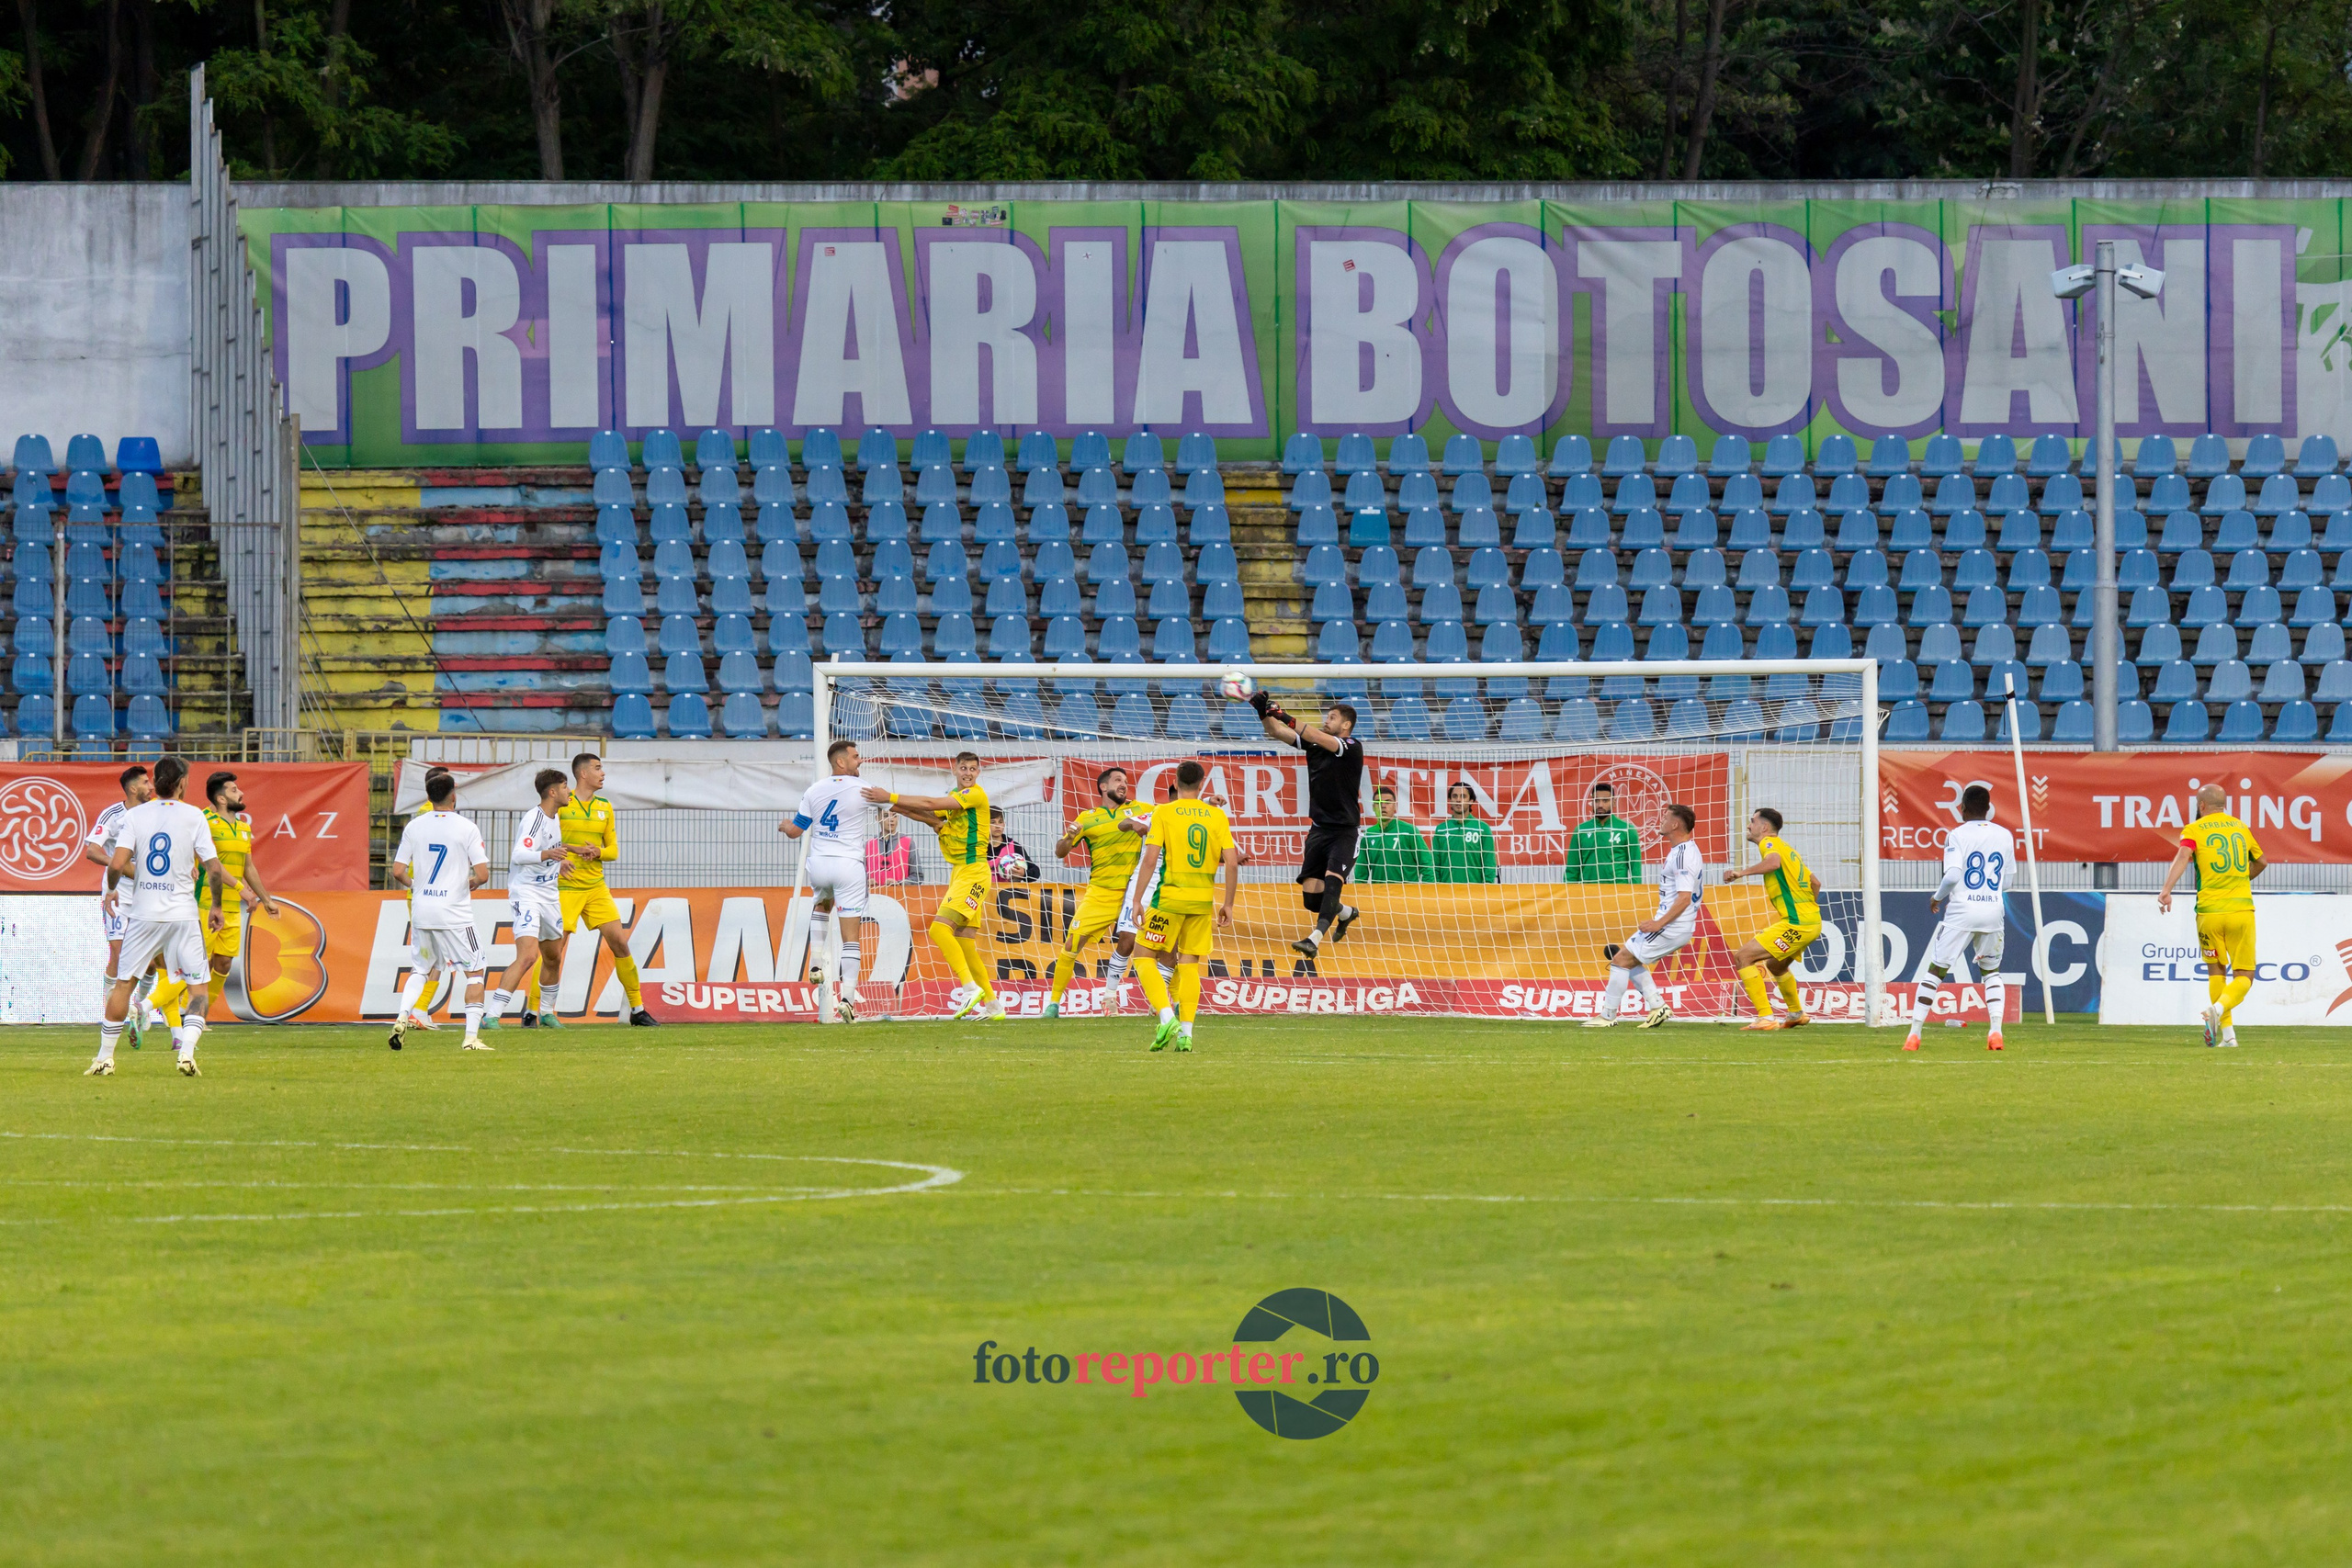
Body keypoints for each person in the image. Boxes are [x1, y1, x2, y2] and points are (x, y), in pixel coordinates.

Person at [86, 755, 236, 1077]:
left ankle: (104, 1058)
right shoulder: (195, 815)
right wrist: (216, 906)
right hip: (182, 915)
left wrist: (112, 890)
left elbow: (115, 864)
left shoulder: (136, 816)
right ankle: (187, 1051)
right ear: (182, 783)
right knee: (197, 989)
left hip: (143, 914)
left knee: (124, 984)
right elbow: (212, 868)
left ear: (157, 781)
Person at [866, 751, 1003, 1021]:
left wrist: (891, 797)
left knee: (939, 929)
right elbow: (929, 814)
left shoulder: (975, 795)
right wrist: (892, 807)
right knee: (965, 943)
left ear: (978, 773)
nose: (967, 773)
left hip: (974, 871)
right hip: (961, 872)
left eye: (972, 769)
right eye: (963, 768)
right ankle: (993, 1006)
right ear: (955, 770)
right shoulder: (956, 799)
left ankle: (968, 988)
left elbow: (930, 802)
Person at [148, 771, 282, 1035]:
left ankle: (195, 1013)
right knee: (195, 964)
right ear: (220, 798)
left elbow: (249, 867)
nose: (241, 793)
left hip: (232, 908)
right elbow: (212, 862)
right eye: (234, 790)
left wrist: (266, 900)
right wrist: (240, 888)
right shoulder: (204, 821)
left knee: (222, 965)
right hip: (206, 903)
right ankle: (157, 1006)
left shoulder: (243, 827)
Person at [1126, 759, 1241, 1053]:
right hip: (1202, 902)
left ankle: (1166, 1017)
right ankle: (1186, 1034)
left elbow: (1151, 859)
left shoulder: (1163, 812)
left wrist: (1138, 899)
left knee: (1142, 957)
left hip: (1169, 899)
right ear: (1202, 784)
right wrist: (1228, 903)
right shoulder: (1216, 816)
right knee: (1190, 964)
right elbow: (1231, 862)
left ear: (1175, 783)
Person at [1250, 692, 1364, 958]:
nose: (1327, 720)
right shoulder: (1314, 744)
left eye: (1332, 717)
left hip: (1344, 832)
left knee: (1333, 882)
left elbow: (1314, 735)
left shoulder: (1350, 745)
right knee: (1312, 900)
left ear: (1345, 725)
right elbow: (1276, 732)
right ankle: (1346, 913)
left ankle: (1314, 939)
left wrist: (1285, 715)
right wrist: (1264, 714)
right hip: (1319, 830)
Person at [387, 772, 493, 1051]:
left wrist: (418, 886)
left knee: (420, 968)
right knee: (476, 970)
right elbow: (483, 874)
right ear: (453, 795)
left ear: (428, 796)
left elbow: (398, 871)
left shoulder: (415, 826)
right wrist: (470, 883)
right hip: (454, 914)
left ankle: (402, 1015)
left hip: (423, 912)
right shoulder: (466, 827)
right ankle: (471, 1038)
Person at [1906, 785, 2014, 1054]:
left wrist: (1937, 897)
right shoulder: (2005, 835)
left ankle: (1914, 1036)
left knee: (1936, 971)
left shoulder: (1957, 835)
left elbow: (1953, 875)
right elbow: (2008, 882)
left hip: (1961, 912)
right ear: (1988, 809)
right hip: (1993, 911)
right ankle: (1996, 1032)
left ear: (1962, 808)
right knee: (1991, 973)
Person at [2158, 783, 2266, 1048]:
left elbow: (2184, 854)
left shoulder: (2193, 830)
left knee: (2216, 971)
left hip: (2209, 912)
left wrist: (2166, 890)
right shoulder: (2241, 827)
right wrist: (2242, 878)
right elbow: (2262, 862)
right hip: (2241, 909)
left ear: (2201, 806)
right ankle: (2219, 1014)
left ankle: (2228, 1034)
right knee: (2244, 975)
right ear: (2224, 805)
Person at [1046, 766, 1154, 1019]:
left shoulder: (1141, 809)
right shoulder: (1087, 817)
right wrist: (1069, 838)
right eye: (1118, 780)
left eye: (1126, 781)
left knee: (1158, 944)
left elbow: (1171, 813)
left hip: (1134, 893)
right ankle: (1052, 1004)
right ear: (1103, 787)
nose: (1124, 784)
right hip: (1102, 892)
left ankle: (1171, 999)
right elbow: (1060, 852)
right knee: (1072, 943)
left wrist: (1204, 802)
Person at [558, 752, 658, 1025]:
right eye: (598, 768)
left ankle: (638, 1009)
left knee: (620, 943)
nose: (603, 773)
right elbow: (547, 844)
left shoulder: (605, 806)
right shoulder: (562, 806)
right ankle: (534, 1011)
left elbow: (613, 851)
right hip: (564, 887)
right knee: (553, 951)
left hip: (596, 887)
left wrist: (598, 852)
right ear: (583, 774)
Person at [1589, 803, 1703, 1030]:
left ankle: (1607, 1016)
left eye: (1665, 818)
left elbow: (1684, 897)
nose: (1661, 821)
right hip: (1674, 924)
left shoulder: (1683, 854)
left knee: (1621, 960)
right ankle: (1657, 1006)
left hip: (1672, 926)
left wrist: (1658, 924)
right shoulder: (1683, 851)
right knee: (1628, 959)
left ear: (1675, 824)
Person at [784, 739, 874, 1024]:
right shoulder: (864, 789)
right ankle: (848, 997)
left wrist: (785, 825)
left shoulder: (814, 790)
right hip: (848, 866)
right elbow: (897, 806)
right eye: (856, 757)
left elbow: (796, 831)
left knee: (822, 906)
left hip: (820, 864)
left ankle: (814, 962)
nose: (860, 761)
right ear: (841, 762)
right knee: (851, 937)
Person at [484, 768, 575, 1032]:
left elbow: (544, 854)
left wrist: (559, 863)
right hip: (526, 894)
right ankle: (492, 1015)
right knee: (527, 957)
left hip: (549, 893)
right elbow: (519, 855)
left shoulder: (554, 818)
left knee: (553, 956)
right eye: (565, 786)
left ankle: (546, 1012)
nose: (569, 791)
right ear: (552, 792)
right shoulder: (534, 818)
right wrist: (549, 853)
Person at [1722, 807, 1822, 1031]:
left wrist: (1741, 873)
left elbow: (1773, 863)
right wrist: (1807, 910)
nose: (1749, 826)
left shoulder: (1770, 844)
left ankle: (1765, 1017)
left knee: (1743, 957)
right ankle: (1796, 1014)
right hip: (1810, 922)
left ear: (1764, 827)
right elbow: (1815, 882)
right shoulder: (1789, 850)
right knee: (1775, 965)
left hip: (1798, 923)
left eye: (1752, 821)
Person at [83, 763, 155, 1043]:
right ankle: (110, 1012)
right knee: (118, 953)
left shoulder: (155, 814)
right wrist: (119, 865)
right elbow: (92, 850)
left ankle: (140, 1005)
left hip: (149, 892)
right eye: (146, 782)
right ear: (133, 788)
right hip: (118, 894)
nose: (151, 787)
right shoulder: (114, 815)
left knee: (151, 961)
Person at [1563, 782, 1642, 884]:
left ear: (1613, 802)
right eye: (1596, 801)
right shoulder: (1581, 830)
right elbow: (1572, 870)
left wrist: (1636, 894)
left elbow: (1635, 869)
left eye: (1605, 801)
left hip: (1618, 895)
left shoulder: (1627, 830)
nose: (1600, 805)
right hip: (1588, 895)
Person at [1357, 785, 1430, 884]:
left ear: (1395, 806)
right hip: (1379, 895)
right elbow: (1361, 873)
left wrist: (1427, 892)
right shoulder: (1368, 835)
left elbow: (1426, 864)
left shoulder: (1409, 831)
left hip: (1407, 896)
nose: (1383, 806)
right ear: (1373, 807)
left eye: (1387, 802)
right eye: (1378, 802)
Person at [1431, 781, 1499, 884]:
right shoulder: (1441, 829)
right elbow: (1435, 864)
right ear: (1450, 800)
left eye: (1463, 796)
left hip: (1474, 893)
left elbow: (1489, 863)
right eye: (1454, 796)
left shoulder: (1482, 828)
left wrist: (1487, 888)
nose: (1458, 800)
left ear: (1471, 801)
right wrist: (1436, 887)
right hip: (1446, 892)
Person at [868, 811, 916, 886]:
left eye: (894, 815)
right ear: (877, 818)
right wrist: (866, 881)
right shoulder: (869, 845)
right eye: (886, 815)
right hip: (874, 895)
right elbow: (859, 875)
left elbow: (917, 877)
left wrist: (899, 883)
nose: (891, 819)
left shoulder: (908, 843)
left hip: (900, 895)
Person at [989, 820, 1039, 884]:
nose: (997, 826)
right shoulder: (979, 848)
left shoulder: (1015, 847)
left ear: (1004, 824)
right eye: (993, 822)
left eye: (1000, 822)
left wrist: (1024, 873)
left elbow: (1035, 871)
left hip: (1010, 892)